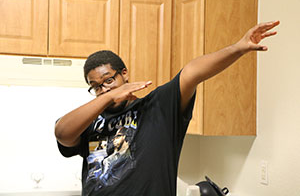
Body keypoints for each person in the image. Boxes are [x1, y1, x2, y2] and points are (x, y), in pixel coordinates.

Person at [55, 20, 280, 196]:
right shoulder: (90, 121)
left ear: (124, 74)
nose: (103, 90)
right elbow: (62, 132)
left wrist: (238, 48)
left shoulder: (157, 107)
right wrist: (108, 96)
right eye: (95, 87)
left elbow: (192, 72)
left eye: (108, 81)